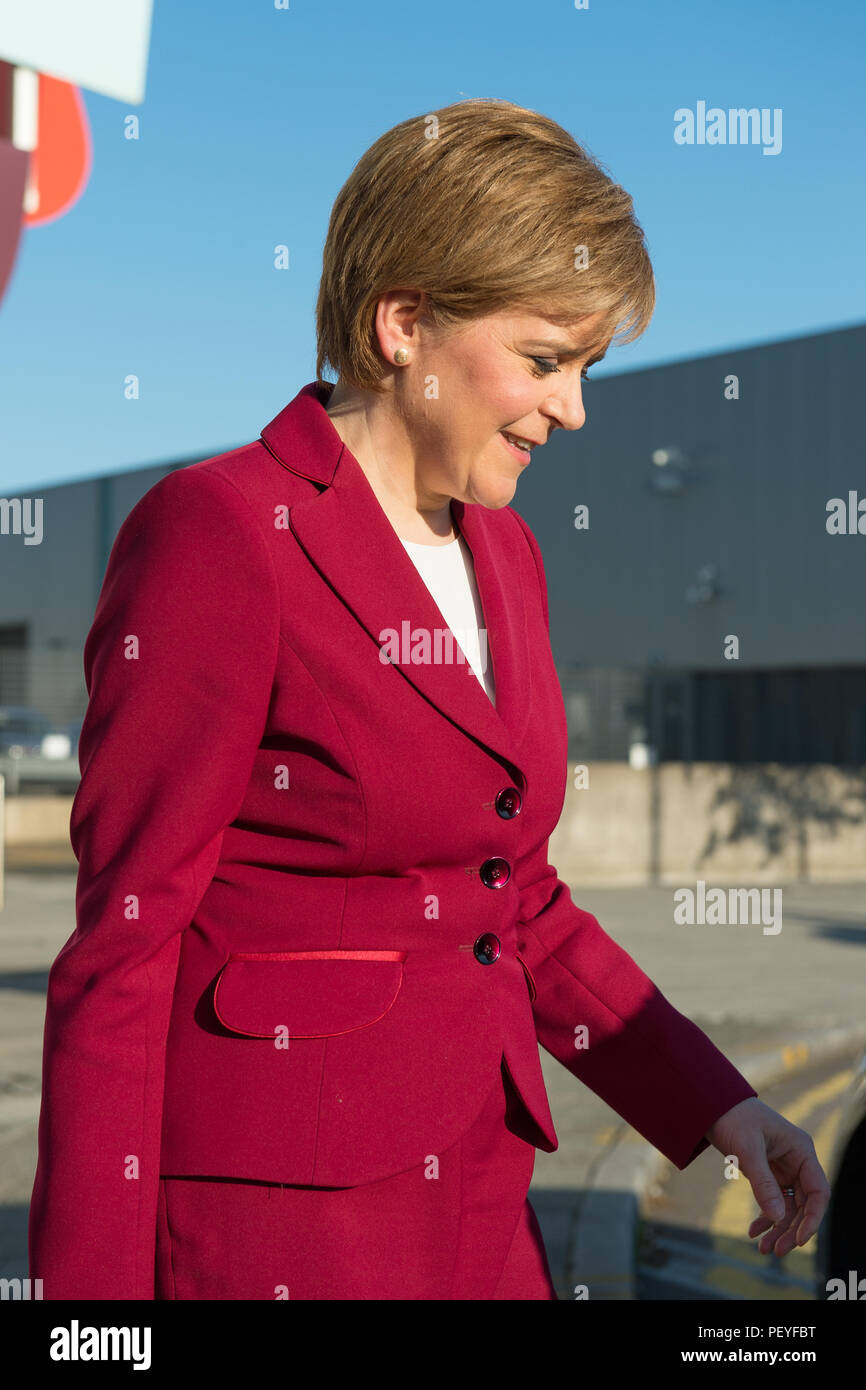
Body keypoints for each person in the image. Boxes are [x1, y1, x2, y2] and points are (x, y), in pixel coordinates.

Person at [29, 97, 829, 1300]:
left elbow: (518, 897)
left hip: (482, 1198)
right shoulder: (222, 533)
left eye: (586, 368)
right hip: (281, 1231)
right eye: (546, 360)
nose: (570, 409)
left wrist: (713, 1101)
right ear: (402, 324)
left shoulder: (505, 553)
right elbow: (122, 951)